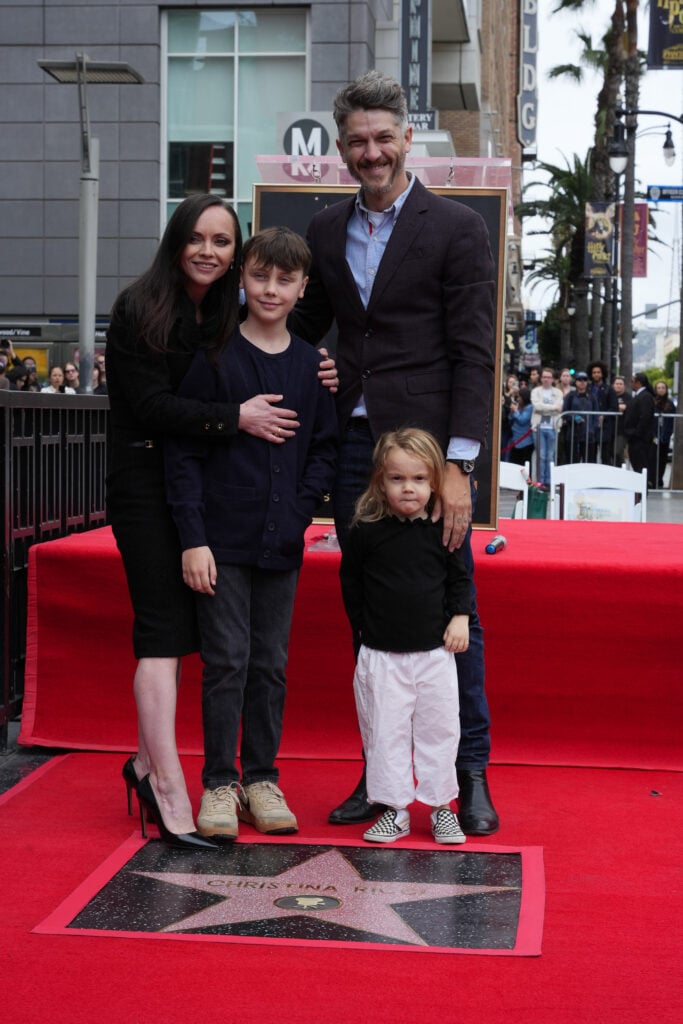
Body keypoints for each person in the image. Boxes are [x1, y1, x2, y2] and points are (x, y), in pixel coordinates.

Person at [289, 70, 499, 835]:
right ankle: (384, 782)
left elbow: (474, 353)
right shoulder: (322, 232)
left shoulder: (455, 229)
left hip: (425, 454)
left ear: (407, 137)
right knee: (370, 619)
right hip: (353, 448)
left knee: (452, 613)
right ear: (341, 148)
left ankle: (464, 775)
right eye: (356, 141)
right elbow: (301, 325)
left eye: (382, 138)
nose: (370, 152)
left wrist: (459, 465)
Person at [106, 194, 338, 849]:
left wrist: (299, 506)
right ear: (178, 240)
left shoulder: (231, 324)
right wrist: (233, 419)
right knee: (177, 639)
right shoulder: (146, 312)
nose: (210, 250)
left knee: (250, 657)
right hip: (160, 495)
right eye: (198, 237)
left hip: (258, 524)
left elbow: (316, 435)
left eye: (223, 240)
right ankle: (186, 784)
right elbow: (160, 411)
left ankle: (185, 768)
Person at [340, 428, 470, 845]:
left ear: (434, 481)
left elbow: (460, 578)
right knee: (385, 732)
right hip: (382, 656)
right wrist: (365, 630)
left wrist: (460, 618)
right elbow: (352, 583)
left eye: (418, 479)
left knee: (439, 730)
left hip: (433, 654)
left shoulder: (441, 529)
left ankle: (440, 807)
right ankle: (393, 808)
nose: (408, 488)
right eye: (397, 479)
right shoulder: (366, 529)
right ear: (380, 480)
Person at [530, 368, 563, 484]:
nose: (546, 379)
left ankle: (549, 481)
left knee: (550, 456)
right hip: (538, 428)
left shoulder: (558, 392)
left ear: (553, 379)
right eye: (544, 377)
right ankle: (540, 481)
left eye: (549, 377)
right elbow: (537, 406)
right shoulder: (535, 391)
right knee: (541, 456)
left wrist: (542, 408)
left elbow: (557, 408)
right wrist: (553, 408)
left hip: (553, 427)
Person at [624, 372, 656, 487]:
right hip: (636, 439)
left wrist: (636, 433)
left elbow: (645, 417)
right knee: (637, 466)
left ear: (638, 383)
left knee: (641, 467)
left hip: (640, 440)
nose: (631, 383)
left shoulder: (645, 397)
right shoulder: (640, 396)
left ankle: (642, 491)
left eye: (632, 381)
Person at [562, 371, 598, 463]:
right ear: (576, 381)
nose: (582, 382)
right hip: (573, 433)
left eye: (585, 380)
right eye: (579, 380)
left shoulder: (592, 396)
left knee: (589, 462)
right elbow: (565, 412)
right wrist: (574, 418)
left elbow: (596, 413)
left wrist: (593, 429)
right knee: (573, 462)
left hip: (588, 435)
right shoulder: (570, 396)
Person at [587, 361, 619, 465]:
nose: (596, 374)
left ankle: (606, 480)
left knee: (605, 456)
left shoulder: (609, 389)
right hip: (590, 427)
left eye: (598, 372)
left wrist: (604, 415)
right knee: (590, 456)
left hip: (605, 428)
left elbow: (614, 407)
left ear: (602, 373)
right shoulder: (588, 389)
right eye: (594, 372)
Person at [653, 380, 676, 488]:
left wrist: (667, 434)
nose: (661, 389)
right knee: (653, 458)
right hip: (653, 436)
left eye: (663, 387)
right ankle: (652, 479)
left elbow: (672, 421)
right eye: (659, 387)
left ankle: (659, 479)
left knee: (663, 459)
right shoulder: (652, 402)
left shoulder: (670, 404)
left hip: (665, 437)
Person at [507, 386, 535, 467]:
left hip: (525, 442)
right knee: (515, 465)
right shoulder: (519, 406)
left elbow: (522, 420)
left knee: (524, 466)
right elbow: (510, 419)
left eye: (519, 396)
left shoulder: (530, 407)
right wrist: (512, 412)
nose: (518, 398)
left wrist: (515, 411)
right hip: (515, 440)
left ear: (524, 397)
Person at [612, 375, 632, 467]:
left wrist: (615, 407)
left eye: (621, 384)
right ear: (613, 385)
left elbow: (626, 407)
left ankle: (622, 470)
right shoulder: (610, 395)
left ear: (624, 386)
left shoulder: (628, 397)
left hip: (622, 431)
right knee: (610, 454)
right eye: (617, 383)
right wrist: (618, 407)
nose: (618, 385)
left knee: (617, 451)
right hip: (610, 429)